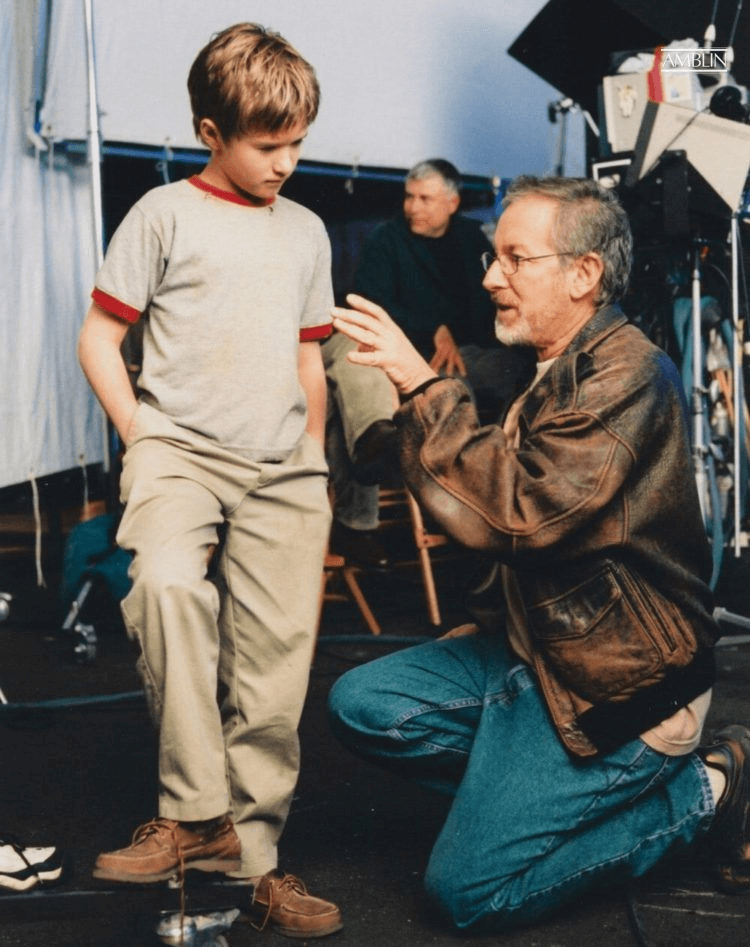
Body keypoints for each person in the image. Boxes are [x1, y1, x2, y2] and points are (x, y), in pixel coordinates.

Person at [327, 175, 750, 934]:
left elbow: (523, 513)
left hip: (623, 690)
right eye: (495, 257)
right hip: (544, 659)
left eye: (515, 258)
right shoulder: (550, 366)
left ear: (583, 275)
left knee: (466, 889)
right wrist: (485, 616)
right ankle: (526, 781)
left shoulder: (629, 375)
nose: (490, 276)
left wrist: (423, 385)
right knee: (362, 704)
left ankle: (705, 791)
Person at [77, 23, 341, 939]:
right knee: (164, 584)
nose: (286, 162)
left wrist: (312, 457)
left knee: (274, 672)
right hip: (178, 448)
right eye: (268, 146)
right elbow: (99, 338)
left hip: (282, 467)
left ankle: (255, 857)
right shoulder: (161, 214)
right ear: (208, 131)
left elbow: (311, 359)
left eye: (298, 142)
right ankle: (194, 814)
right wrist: (140, 430)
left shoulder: (306, 230)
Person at [354, 158, 532, 411]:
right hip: (417, 353)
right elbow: (371, 303)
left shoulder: (471, 236)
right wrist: (433, 329)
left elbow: (487, 302)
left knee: (528, 376)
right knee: (452, 391)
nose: (413, 208)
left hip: (473, 349)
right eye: (409, 197)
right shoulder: (383, 240)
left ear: (452, 203)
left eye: (425, 199)